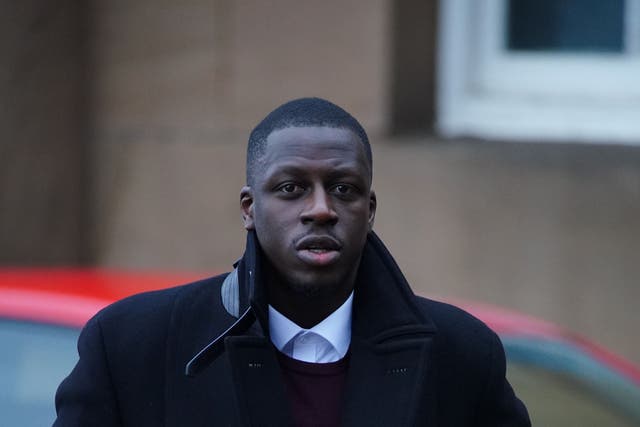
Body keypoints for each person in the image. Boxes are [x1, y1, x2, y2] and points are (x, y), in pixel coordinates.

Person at [54, 97, 530, 426]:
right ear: (249, 209)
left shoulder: (462, 354)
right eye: (291, 188)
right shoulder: (131, 345)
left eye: (343, 189)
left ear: (369, 211)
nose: (320, 208)